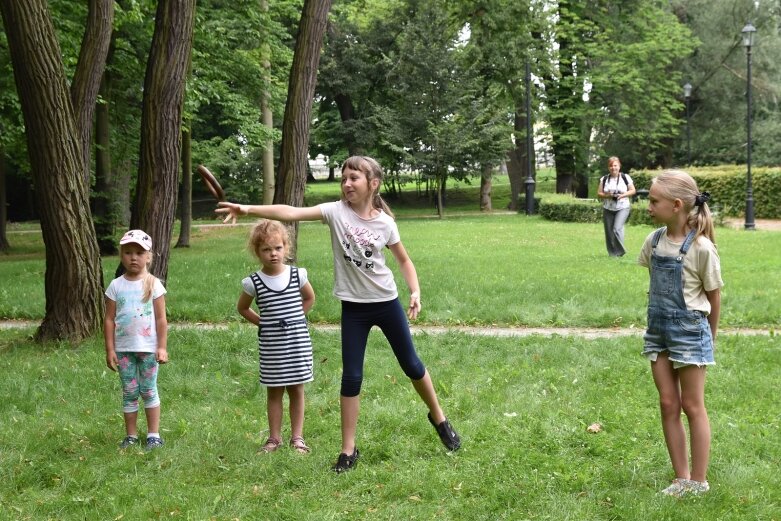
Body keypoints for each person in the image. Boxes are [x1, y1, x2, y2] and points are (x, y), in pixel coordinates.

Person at [217, 155, 461, 472]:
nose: (346, 183)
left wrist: (414, 291)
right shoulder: (335, 212)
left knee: (412, 365)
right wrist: (247, 209)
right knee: (352, 377)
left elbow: (404, 260)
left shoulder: (385, 223)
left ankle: (439, 419)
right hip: (354, 308)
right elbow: (290, 212)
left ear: (372, 184)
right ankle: (348, 450)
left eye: (353, 178)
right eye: (344, 178)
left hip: (386, 302)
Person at [638, 170, 723, 497]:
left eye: (653, 201)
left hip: (691, 333)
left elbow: (714, 295)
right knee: (667, 402)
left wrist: (709, 338)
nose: (648, 206)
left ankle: (699, 482)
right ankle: (680, 478)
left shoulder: (702, 248)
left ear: (676, 205)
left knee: (692, 404)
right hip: (658, 331)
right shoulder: (654, 241)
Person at [237, 219, 316, 454]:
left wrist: (295, 318)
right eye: (266, 249)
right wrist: (263, 323)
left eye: (278, 248)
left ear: (286, 248)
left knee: (296, 390)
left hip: (297, 344)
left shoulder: (297, 275)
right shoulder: (253, 282)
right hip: (272, 347)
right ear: (257, 252)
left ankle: (297, 438)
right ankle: (274, 438)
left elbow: (309, 298)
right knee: (274, 391)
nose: (273, 254)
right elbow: (242, 308)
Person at [104, 230, 168, 450]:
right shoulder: (115, 286)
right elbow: (109, 320)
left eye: (139, 253)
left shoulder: (153, 284)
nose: (134, 257)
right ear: (121, 256)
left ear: (148, 256)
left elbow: (161, 319)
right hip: (124, 350)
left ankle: (153, 435)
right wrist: (110, 349)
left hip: (148, 349)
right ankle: (131, 436)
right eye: (128, 252)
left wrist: (161, 347)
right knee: (130, 392)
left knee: (149, 390)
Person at [597, 156, 636, 256]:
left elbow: (633, 190)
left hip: (623, 207)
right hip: (608, 208)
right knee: (609, 232)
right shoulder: (604, 179)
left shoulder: (625, 177)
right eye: (611, 166)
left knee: (617, 228)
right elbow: (599, 194)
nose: (613, 168)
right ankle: (612, 253)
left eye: (615, 165)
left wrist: (622, 195)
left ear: (619, 166)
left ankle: (620, 252)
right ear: (608, 167)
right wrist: (608, 195)